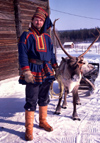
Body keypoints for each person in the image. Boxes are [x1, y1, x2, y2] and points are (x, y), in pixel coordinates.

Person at [18, 7, 58, 141]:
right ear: (32, 20)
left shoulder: (47, 36)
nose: (38, 22)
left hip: (46, 69)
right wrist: (26, 70)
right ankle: (29, 128)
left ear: (43, 22)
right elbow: (22, 54)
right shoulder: (26, 35)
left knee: (44, 97)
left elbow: (51, 53)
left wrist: (55, 66)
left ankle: (42, 121)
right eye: (36, 20)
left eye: (41, 20)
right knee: (31, 99)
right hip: (32, 69)